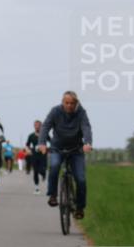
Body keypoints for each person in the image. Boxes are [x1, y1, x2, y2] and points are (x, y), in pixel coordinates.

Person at [38, 91, 93, 219]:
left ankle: (79, 207)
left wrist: (88, 143)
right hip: (57, 148)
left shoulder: (81, 113)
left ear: (76, 103)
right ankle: (53, 195)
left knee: (81, 179)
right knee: (55, 165)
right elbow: (45, 126)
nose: (69, 106)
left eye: (72, 103)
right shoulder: (55, 111)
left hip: (76, 150)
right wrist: (41, 143)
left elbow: (86, 128)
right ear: (62, 102)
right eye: (66, 103)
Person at [25, 119, 48, 194]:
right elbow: (27, 145)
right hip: (34, 155)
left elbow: (52, 142)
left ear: (41, 126)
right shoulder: (31, 136)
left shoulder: (45, 134)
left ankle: (44, 174)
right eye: (36, 125)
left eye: (39, 125)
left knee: (42, 170)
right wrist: (28, 150)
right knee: (35, 171)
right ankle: (37, 188)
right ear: (34, 126)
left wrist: (47, 149)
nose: (37, 127)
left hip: (43, 155)